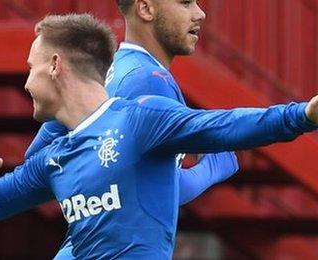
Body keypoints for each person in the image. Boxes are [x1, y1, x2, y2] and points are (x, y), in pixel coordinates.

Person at [0, 14, 318, 259]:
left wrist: (302, 115)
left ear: (55, 65)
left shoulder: (140, 119)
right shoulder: (53, 158)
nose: (27, 81)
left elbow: (225, 125)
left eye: (31, 68)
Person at [24, 1, 237, 257]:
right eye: (184, 2)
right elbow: (152, 191)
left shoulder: (108, 68)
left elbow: (35, 157)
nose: (199, 13)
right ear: (145, 8)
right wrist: (215, 167)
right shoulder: (149, 81)